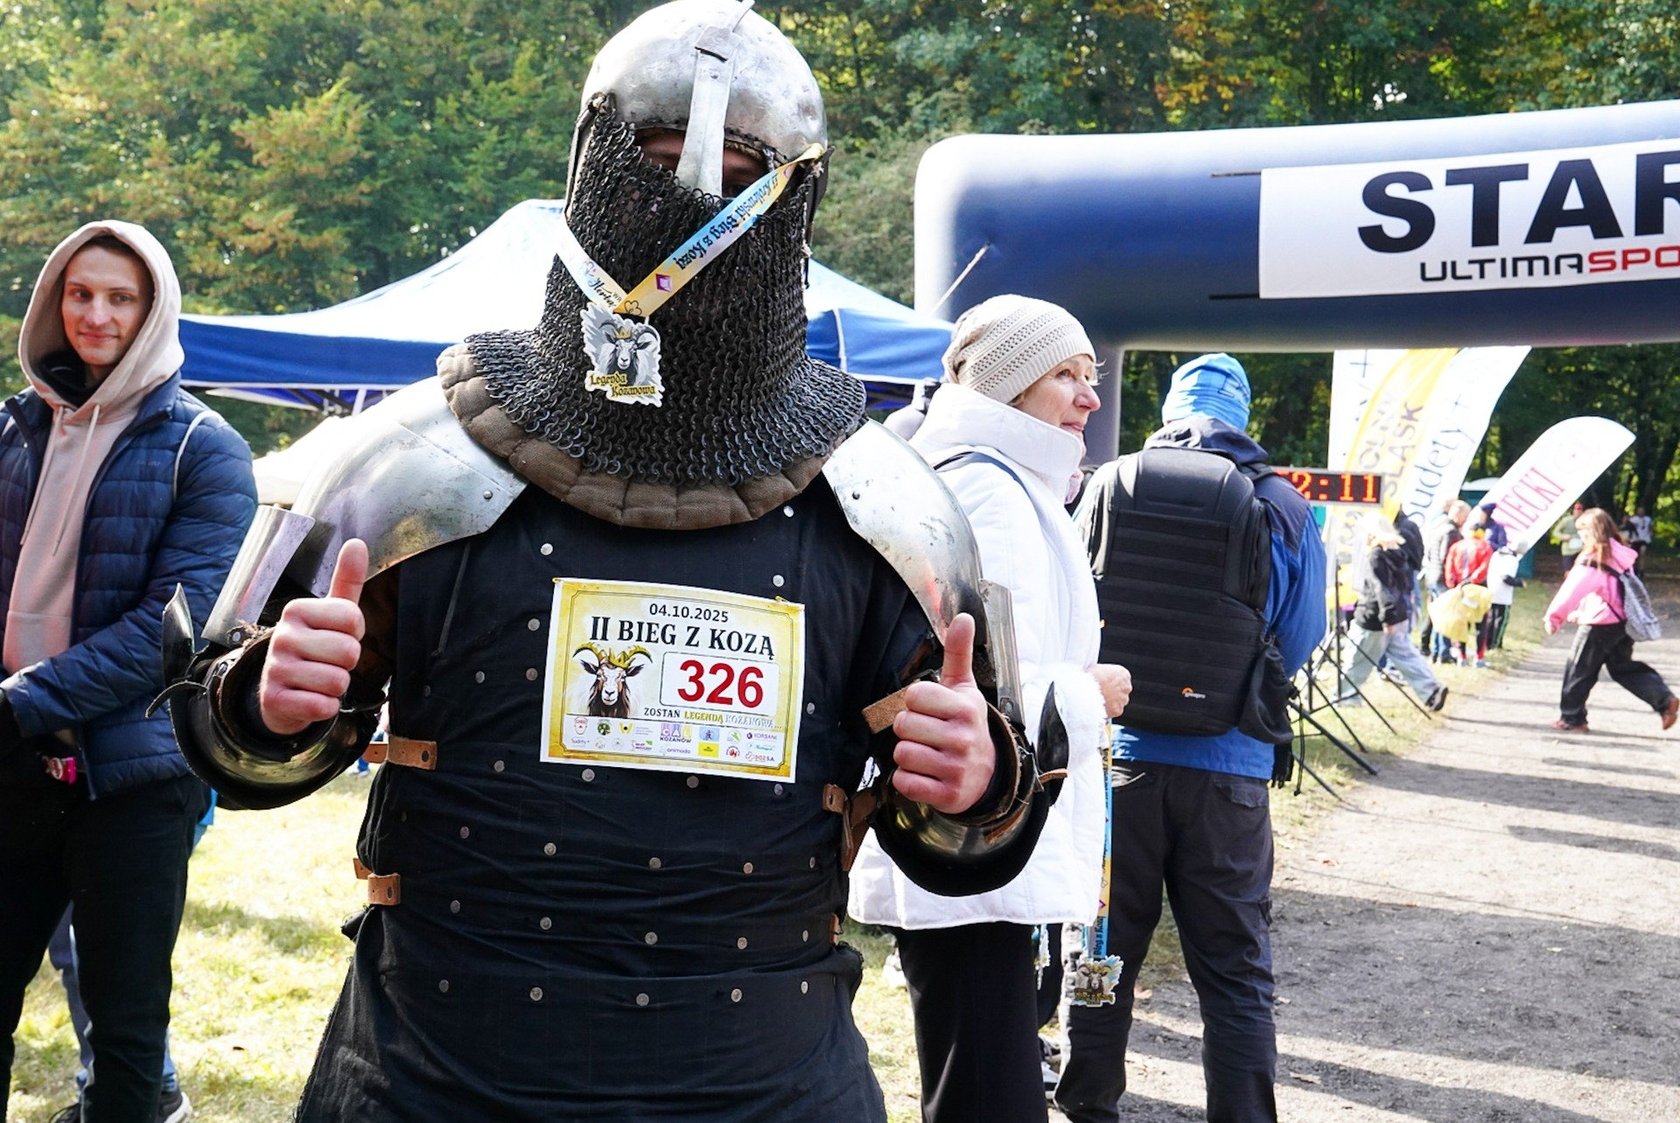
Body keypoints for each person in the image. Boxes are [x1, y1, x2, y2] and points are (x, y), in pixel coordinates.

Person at [161, 3, 1050, 1118]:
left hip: (763, 1072)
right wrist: (267, 700)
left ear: (792, 202)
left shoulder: (887, 504)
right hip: (439, 1067)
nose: (693, 208)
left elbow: (964, 832)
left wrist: (975, 780)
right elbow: (237, 744)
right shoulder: (407, 466)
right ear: (594, 170)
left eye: (739, 178)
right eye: (661, 165)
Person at [848, 295, 1130, 1122]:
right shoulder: (989, 488)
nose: (1091, 397)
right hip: (975, 838)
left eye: (1090, 374)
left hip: (986, 839)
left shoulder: (1000, 479)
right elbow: (983, 689)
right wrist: (1090, 693)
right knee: (986, 1093)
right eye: (1066, 374)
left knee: (984, 1080)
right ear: (1009, 384)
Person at [0, 221, 257, 1123]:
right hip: (13, 763)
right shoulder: (14, 427)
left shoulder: (205, 448)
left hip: (135, 775)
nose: (96, 314)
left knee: (124, 1029)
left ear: (155, 310)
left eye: (121, 297)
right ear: (52, 300)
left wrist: (20, 702)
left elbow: (167, 631)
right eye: (79, 293)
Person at [1060, 354, 1326, 1123]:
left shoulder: (1109, 484)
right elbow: (1302, 630)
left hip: (1119, 763)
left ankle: (1088, 1107)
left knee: (1102, 946)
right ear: (1241, 416)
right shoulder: (1281, 502)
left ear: (1169, 412)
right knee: (1236, 969)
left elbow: (1070, 606)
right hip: (1230, 766)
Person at [1543, 507, 1678, 734]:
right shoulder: (1620, 554)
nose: (1581, 536)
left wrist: (1554, 617)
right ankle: (1664, 700)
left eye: (1583, 531)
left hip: (1599, 623)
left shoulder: (1593, 560)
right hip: (1622, 622)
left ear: (1593, 532)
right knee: (1622, 667)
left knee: (1578, 668)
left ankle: (1573, 718)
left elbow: (1572, 590)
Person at [1340, 514, 1447, 710]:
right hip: (1399, 614)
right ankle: (1431, 689)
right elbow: (1404, 585)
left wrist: (1387, 617)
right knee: (1406, 656)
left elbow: (1382, 589)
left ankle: (1346, 697)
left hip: (1375, 617)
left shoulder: (1375, 556)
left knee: (1356, 657)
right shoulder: (1398, 553)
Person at [1421, 498, 1470, 662]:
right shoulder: (1451, 532)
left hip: (1432, 575)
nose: (1466, 520)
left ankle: (1435, 651)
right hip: (1444, 579)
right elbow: (1447, 557)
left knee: (1436, 615)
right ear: (1459, 514)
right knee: (1446, 616)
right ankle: (1443, 652)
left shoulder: (1439, 528)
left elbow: (1429, 553)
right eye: (1466, 516)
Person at [1444, 524, 1494, 665]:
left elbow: (1449, 568)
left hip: (1460, 589)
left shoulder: (1456, 546)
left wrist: (1453, 584)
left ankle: (1462, 656)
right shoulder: (1485, 547)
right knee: (1481, 624)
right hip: (1478, 590)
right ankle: (1479, 658)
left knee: (1462, 623)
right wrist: (1472, 580)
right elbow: (1484, 568)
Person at [1550, 501, 1585, 579]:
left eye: (1580, 509)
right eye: (1576, 509)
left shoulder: (1585, 521)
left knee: (1580, 569)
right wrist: (1563, 536)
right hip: (1568, 550)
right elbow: (1555, 532)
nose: (1578, 511)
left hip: (1580, 549)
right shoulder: (1566, 521)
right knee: (1568, 571)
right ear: (1573, 510)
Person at [1625, 504, 1654, 574]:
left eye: (1642, 511)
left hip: (1644, 539)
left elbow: (1650, 527)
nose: (1641, 512)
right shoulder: (1633, 519)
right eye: (1639, 511)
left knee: (1642, 553)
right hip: (1635, 540)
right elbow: (1628, 527)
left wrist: (1650, 534)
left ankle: (1641, 569)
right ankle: (1635, 569)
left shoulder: (1648, 519)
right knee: (1635, 555)